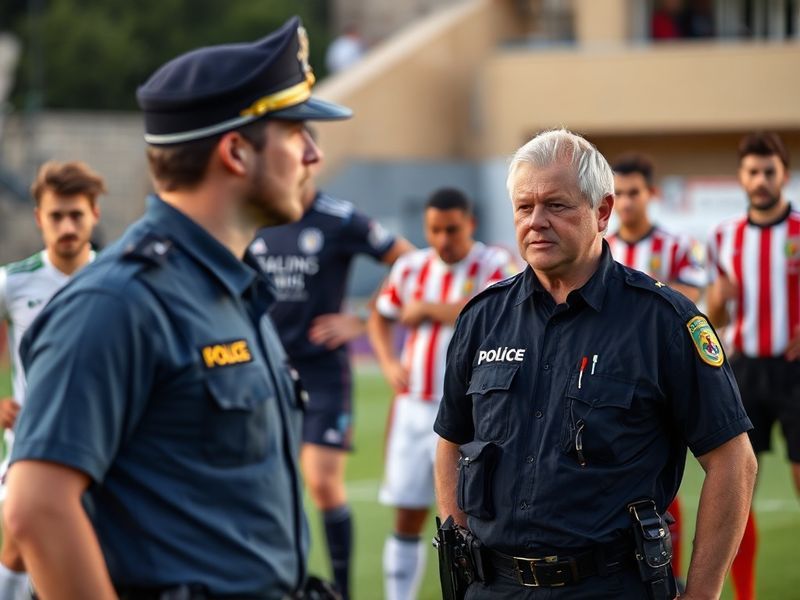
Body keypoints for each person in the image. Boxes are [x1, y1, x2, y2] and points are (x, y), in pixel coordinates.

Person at [3, 17, 352, 600]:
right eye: (296, 133)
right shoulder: (119, 302)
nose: (313, 154)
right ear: (235, 151)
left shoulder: (231, 289)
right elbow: (36, 508)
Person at [433, 129, 757, 599]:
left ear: (602, 211)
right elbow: (451, 441)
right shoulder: (483, 318)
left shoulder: (663, 321)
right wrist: (461, 550)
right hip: (494, 587)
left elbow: (733, 460)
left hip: (611, 584)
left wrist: (702, 593)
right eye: (524, 207)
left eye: (556, 205)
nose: (536, 221)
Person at [250, 131, 414, 600]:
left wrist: (362, 319)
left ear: (313, 161)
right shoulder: (254, 216)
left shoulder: (338, 219)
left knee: (322, 483)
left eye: (305, 153)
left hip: (322, 370)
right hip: (266, 370)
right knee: (269, 486)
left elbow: (407, 259)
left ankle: (341, 591)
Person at [368, 188, 517, 600]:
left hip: (473, 413)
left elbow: (493, 307)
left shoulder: (495, 262)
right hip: (415, 407)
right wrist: (388, 362)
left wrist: (428, 309)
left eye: (452, 230)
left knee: (472, 518)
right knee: (408, 512)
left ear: (470, 224)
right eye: (434, 230)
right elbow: (380, 316)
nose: (442, 240)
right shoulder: (410, 267)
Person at [0, 160, 104, 599]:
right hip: (32, 443)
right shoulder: (12, 282)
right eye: (56, 216)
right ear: (38, 218)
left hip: (103, 446)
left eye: (76, 215)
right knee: (16, 552)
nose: (67, 227)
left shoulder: (119, 280)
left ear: (94, 214)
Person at [706, 131, 800, 600]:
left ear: (783, 174)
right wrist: (717, 301)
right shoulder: (724, 237)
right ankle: (745, 596)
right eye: (752, 172)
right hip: (743, 371)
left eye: (768, 171)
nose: (760, 180)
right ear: (742, 177)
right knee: (737, 493)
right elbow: (716, 317)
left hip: (796, 373)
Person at [606, 152, 707, 585]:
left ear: (651, 193)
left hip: (660, 375)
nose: (626, 202)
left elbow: (691, 296)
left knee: (660, 475)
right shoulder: (600, 246)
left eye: (634, 193)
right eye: (619, 193)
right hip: (606, 374)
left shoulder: (677, 246)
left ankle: (668, 578)